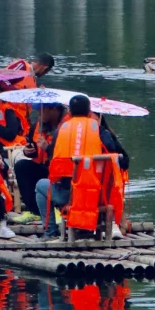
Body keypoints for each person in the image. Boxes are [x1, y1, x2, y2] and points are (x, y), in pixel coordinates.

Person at [36, 93, 104, 238]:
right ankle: (88, 229)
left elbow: (52, 157)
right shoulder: (99, 129)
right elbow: (123, 159)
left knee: (41, 185)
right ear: (89, 111)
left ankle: (50, 232)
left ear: (70, 112)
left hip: (69, 195)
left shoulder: (62, 130)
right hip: (98, 194)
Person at [14, 99, 67, 215]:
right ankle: (35, 212)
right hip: (44, 167)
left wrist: (47, 147)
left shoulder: (67, 126)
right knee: (21, 166)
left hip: (62, 172)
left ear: (54, 110)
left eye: (42, 111)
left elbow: (66, 154)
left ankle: (57, 210)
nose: (39, 115)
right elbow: (34, 152)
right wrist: (28, 151)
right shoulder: (38, 125)